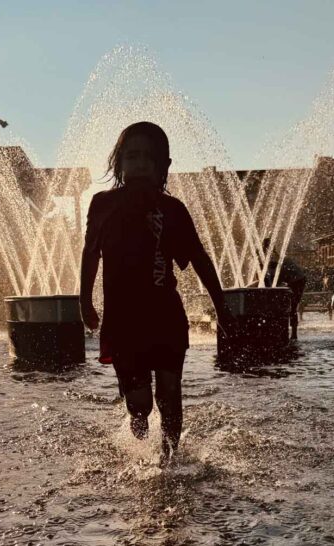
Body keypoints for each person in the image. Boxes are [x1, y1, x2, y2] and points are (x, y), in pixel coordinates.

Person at [80, 121, 232, 462]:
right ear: (119, 162)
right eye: (132, 156)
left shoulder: (173, 209)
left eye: (150, 157)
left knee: (170, 394)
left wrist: (221, 308)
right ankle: (140, 447)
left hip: (165, 317)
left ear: (163, 166)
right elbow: (90, 253)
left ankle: (169, 460)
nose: (141, 164)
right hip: (123, 323)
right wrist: (84, 300)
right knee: (140, 404)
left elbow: (198, 258)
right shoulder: (102, 204)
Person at [262, 239, 306, 340]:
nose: (263, 249)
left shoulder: (273, 258)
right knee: (289, 306)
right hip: (297, 279)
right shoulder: (274, 256)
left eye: (264, 246)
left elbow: (272, 278)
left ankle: (292, 334)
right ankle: (290, 333)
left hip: (297, 280)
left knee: (291, 306)